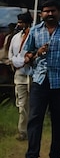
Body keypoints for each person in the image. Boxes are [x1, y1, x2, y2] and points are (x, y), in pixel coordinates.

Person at [18, 0, 60, 158]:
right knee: (35, 119)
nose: (50, 14)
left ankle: (56, 157)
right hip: (40, 80)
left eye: (53, 11)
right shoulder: (35, 31)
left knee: (59, 121)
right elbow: (27, 55)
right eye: (46, 11)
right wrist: (37, 53)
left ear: (59, 12)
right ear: (41, 14)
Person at [8, 12, 34, 141]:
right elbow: (10, 55)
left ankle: (33, 129)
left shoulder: (34, 35)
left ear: (27, 23)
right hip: (19, 75)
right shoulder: (15, 38)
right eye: (18, 22)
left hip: (33, 75)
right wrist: (19, 62)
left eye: (21, 22)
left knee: (34, 104)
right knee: (22, 104)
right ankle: (23, 131)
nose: (19, 24)